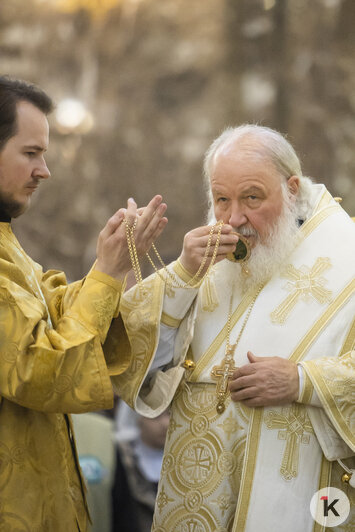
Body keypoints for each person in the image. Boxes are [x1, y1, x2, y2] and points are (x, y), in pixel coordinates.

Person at [115, 124, 355, 531]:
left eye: (252, 198)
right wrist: (182, 273)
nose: (235, 217)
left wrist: (302, 381)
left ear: (292, 188)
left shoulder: (346, 256)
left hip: (301, 493)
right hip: (200, 493)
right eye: (221, 199)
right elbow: (129, 360)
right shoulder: (204, 263)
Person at [0, 75, 168, 531]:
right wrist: (107, 274)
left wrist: (117, 270)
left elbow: (54, 308)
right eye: (31, 153)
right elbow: (38, 367)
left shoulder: (7, 244)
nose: (44, 171)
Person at [111, 403, 169, 532]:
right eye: (156, 417)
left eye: (170, 415)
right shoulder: (123, 460)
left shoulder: (185, 463)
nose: (165, 423)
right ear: (138, 419)